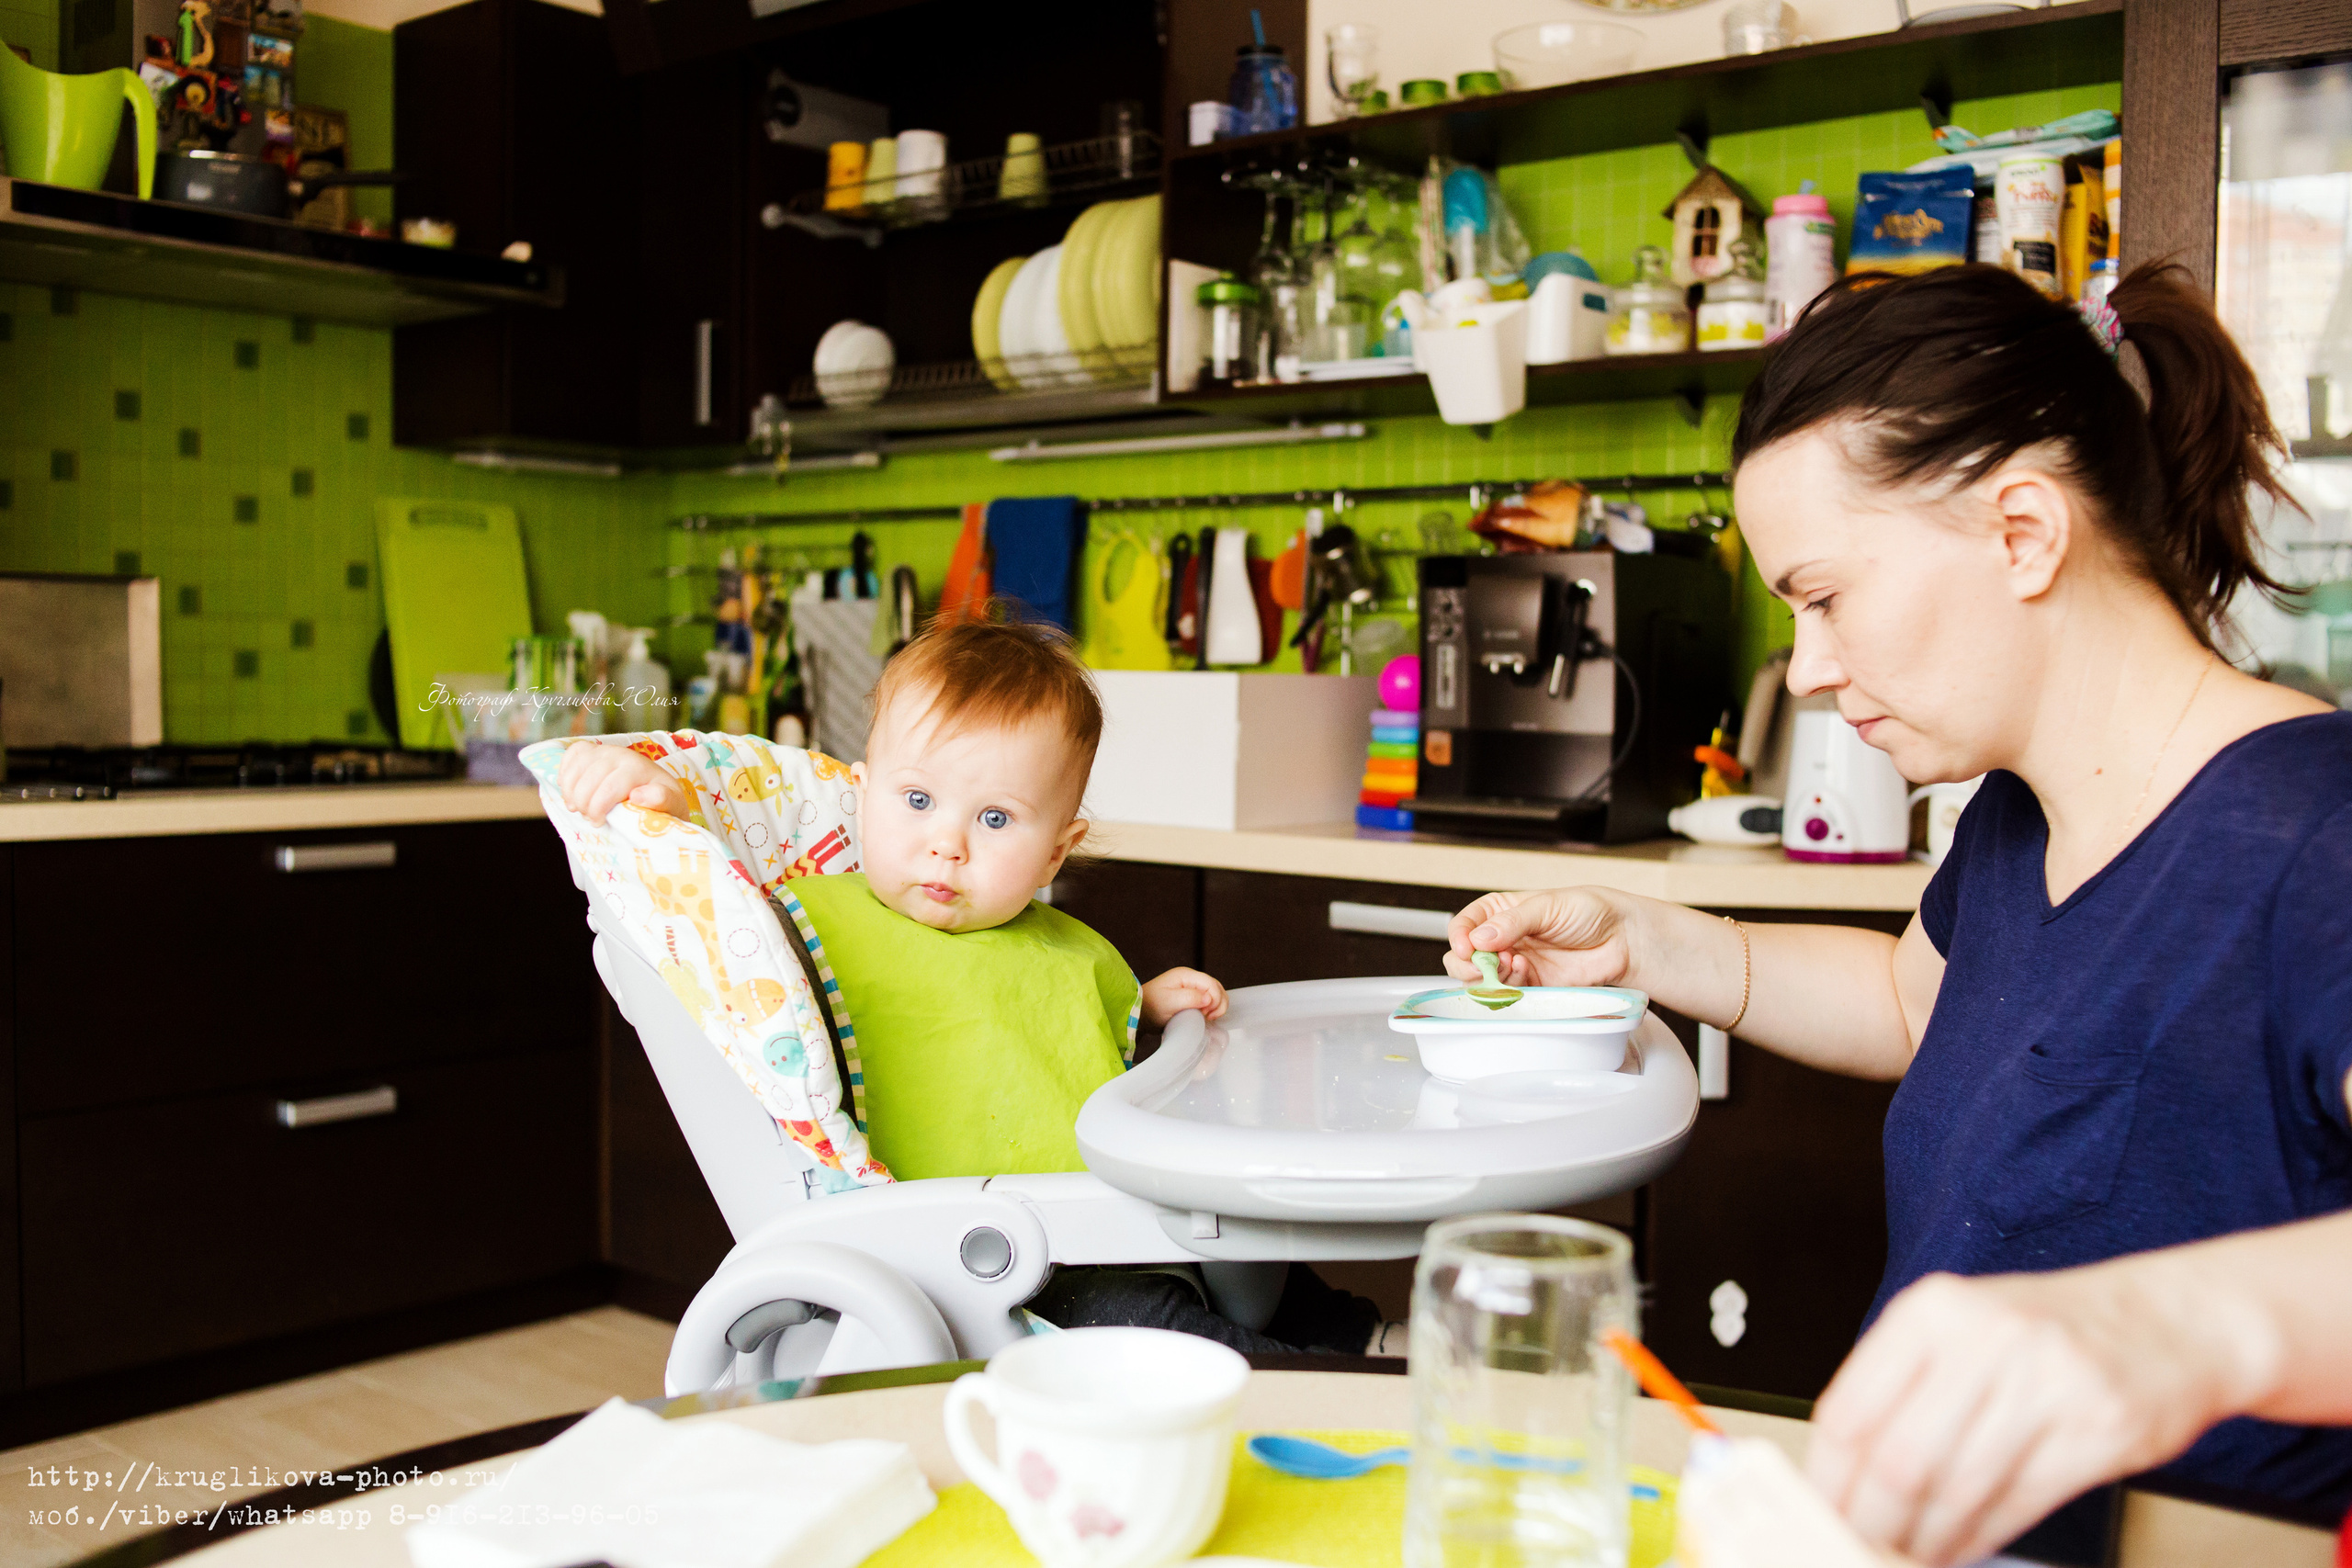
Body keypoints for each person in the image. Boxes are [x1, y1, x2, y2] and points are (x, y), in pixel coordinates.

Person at [1445, 261, 2352, 1565]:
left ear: (2024, 532)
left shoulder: (2314, 831)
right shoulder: (2016, 818)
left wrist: (2156, 1330)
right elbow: (1911, 1002)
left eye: (1822, 595)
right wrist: (1642, 938)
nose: (1807, 668)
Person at [560, 615, 1385, 1356]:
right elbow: (710, 904)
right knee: (1176, 1337)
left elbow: (1062, 1042)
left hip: (1122, 1216)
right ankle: (1321, 1402)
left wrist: (1144, 1006)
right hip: (1006, 1256)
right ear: (865, 790)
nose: (946, 843)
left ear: (1058, 850)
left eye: (995, 819)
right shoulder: (810, 916)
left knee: (1265, 1248)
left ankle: (1367, 1340)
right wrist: (661, 801)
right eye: (916, 799)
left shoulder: (1064, 944)